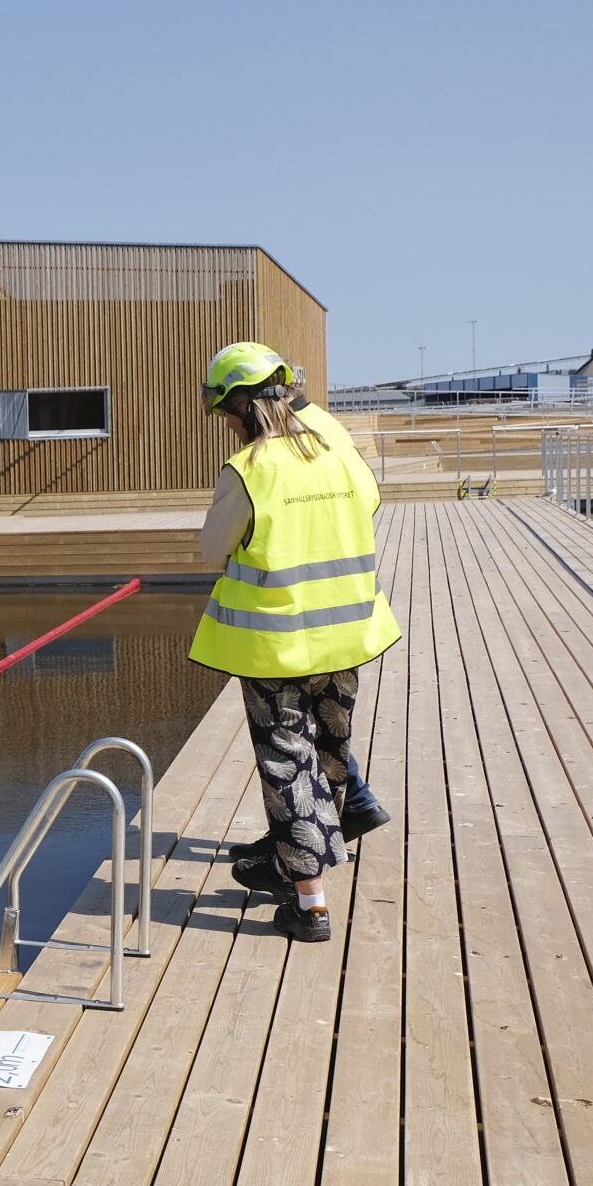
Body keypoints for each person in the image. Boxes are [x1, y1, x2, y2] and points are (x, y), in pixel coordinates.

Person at [189, 342, 401, 943]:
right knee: (331, 752)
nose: (226, 427)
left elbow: (211, 551)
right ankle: (299, 854)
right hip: (348, 638)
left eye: (226, 414)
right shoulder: (339, 455)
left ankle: (309, 905)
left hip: (278, 648)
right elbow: (371, 504)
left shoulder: (249, 470)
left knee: (286, 764)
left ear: (239, 407)